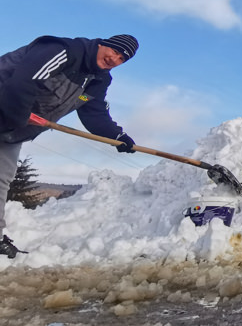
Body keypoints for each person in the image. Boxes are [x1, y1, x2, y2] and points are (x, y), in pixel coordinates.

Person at [0, 34, 139, 258]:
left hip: (12, 131)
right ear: (102, 44)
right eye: (114, 51)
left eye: (122, 59)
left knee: (2, 178)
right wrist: (17, 119)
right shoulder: (63, 51)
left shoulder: (97, 81)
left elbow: (93, 111)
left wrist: (117, 136)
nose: (115, 59)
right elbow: (24, 81)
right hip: (8, 114)